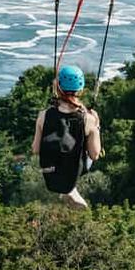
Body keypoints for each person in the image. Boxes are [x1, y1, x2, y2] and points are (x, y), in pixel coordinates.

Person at [31, 65, 102, 209]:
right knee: (88, 148)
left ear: (58, 87)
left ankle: (69, 190)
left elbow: (36, 149)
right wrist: (96, 127)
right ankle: (71, 189)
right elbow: (94, 155)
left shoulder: (43, 115)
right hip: (74, 171)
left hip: (51, 173)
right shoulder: (88, 119)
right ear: (80, 90)